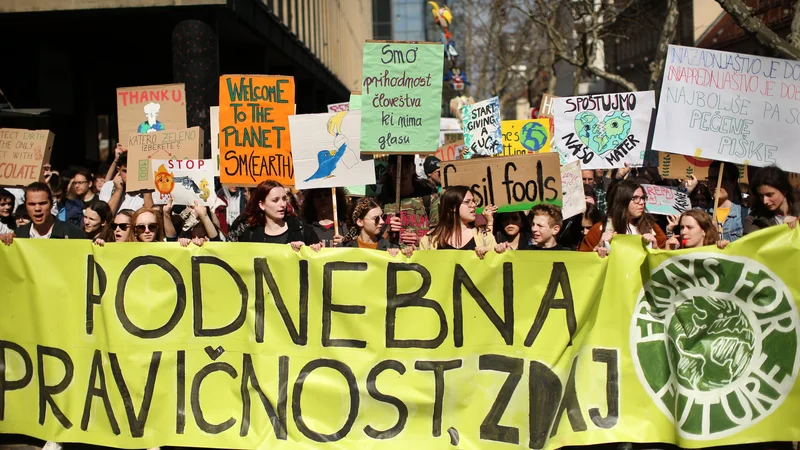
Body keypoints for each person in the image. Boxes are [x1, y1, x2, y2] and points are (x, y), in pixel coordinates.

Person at [579, 180, 666, 255]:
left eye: (643, 198)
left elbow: (664, 260)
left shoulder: (653, 228)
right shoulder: (599, 230)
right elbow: (583, 262)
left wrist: (656, 250)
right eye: (635, 198)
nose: (642, 202)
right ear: (621, 201)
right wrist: (597, 250)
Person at [235, 180, 322, 251]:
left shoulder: (304, 231)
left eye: (284, 199)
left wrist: (307, 250)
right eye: (275, 200)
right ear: (262, 205)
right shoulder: (249, 234)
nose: (282, 204)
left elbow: (317, 265)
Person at [419, 186, 495, 259]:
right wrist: (409, 253)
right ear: (453, 207)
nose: (474, 205)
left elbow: (496, 265)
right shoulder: (429, 240)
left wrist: (490, 253)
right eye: (467, 202)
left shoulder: (484, 236)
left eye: (474, 201)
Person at [378, 155, 438, 247]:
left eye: (406, 167)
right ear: (389, 170)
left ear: (413, 168)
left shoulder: (429, 199)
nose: (402, 172)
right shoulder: (380, 203)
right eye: (397, 168)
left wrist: (420, 241)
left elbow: (440, 235)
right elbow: (373, 240)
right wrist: (388, 229)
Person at [1, 182, 85, 245]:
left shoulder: (73, 233)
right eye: (32, 204)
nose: (37, 209)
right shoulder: (18, 235)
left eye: (42, 203)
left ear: (51, 204)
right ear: (25, 205)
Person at [341, 197, 406, 255]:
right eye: (376, 219)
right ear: (360, 222)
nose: (382, 222)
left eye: (382, 217)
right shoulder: (344, 249)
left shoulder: (390, 249)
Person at [745, 165, 799, 233]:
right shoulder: (753, 219)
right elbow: (751, 241)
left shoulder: (798, 213)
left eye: (769, 195)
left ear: (784, 191)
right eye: (761, 195)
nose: (765, 201)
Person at [706, 161, 748, 241]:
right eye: (711, 178)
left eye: (721, 179)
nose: (715, 183)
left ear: (733, 183)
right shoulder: (701, 215)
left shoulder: (745, 215)